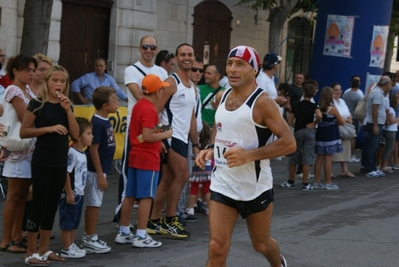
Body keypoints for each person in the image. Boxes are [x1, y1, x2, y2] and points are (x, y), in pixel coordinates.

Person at [196, 45, 295, 267]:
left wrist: (249, 155)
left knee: (261, 244)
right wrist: (212, 146)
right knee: (216, 248)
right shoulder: (221, 96)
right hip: (223, 184)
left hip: (254, 187)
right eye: (230, 64)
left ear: (254, 70)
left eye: (240, 64)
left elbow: (289, 143)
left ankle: (278, 264)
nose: (232, 69)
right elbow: (220, 126)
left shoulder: (263, 102)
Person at [20, 65, 79, 265]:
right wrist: (48, 129)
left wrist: (68, 111)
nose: (59, 85)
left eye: (63, 81)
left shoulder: (67, 105)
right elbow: (24, 132)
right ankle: (30, 252)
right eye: (55, 80)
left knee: (52, 205)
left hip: (60, 161)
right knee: (39, 204)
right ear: (47, 82)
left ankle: (44, 250)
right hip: (42, 161)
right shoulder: (37, 103)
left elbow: (76, 135)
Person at [147, 43, 199, 239]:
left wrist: (195, 144)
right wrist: (157, 137)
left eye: (190, 54)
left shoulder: (192, 87)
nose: (187, 57)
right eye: (183, 54)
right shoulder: (170, 83)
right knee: (182, 176)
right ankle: (170, 219)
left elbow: (191, 117)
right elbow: (154, 111)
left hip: (182, 139)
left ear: (193, 59)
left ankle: (153, 221)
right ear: (176, 59)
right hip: (170, 136)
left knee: (168, 179)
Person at [114, 35, 168, 224]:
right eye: (145, 46)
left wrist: (160, 131)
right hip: (137, 128)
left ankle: (138, 224)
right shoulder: (131, 70)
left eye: (152, 47)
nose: (148, 50)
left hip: (155, 127)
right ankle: (123, 217)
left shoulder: (161, 71)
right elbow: (142, 97)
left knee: (151, 177)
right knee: (130, 177)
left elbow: (164, 97)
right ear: (139, 48)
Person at [115, 74, 172, 248]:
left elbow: (142, 133)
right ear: (158, 91)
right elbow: (148, 136)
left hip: (136, 155)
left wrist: (156, 135)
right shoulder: (150, 109)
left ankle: (124, 231)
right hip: (147, 157)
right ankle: (141, 234)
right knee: (146, 196)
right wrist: (165, 135)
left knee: (130, 195)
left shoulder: (140, 105)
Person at [0, 55, 37, 254]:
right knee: (14, 195)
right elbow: (27, 115)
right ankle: (6, 240)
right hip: (17, 149)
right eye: (27, 69)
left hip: (28, 149)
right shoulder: (13, 90)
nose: (31, 73)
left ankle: (17, 236)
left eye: (33, 69)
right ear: (15, 71)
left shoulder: (28, 90)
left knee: (23, 195)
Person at [81, 86, 118, 253]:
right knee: (94, 203)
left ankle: (90, 236)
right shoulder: (97, 123)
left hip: (101, 169)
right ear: (105, 105)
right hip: (95, 171)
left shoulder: (105, 121)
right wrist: (100, 175)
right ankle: (89, 237)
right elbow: (93, 150)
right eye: (115, 101)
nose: (117, 103)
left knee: (96, 202)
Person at [59, 117, 93, 259]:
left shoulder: (82, 152)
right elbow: (66, 173)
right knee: (68, 220)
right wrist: (69, 192)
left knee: (75, 220)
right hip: (71, 193)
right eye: (89, 133)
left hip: (78, 193)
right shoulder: (72, 153)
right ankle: (66, 247)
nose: (92, 137)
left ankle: (71, 244)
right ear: (78, 136)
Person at [177, 58, 205, 222]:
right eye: (195, 69)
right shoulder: (181, 86)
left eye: (201, 71)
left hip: (192, 137)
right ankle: (177, 211)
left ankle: (179, 209)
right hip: (181, 137)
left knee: (186, 176)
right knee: (181, 176)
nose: (197, 73)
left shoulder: (196, 89)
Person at [280, 83, 321, 190]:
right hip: (310, 131)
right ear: (313, 94)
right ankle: (305, 183)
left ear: (303, 92)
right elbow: (320, 115)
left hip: (299, 131)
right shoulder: (314, 106)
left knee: (295, 156)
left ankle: (290, 181)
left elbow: (289, 120)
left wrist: (296, 125)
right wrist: (314, 123)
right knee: (307, 156)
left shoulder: (297, 105)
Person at [313, 87, 345, 190]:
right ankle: (328, 181)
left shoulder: (317, 107)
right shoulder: (332, 109)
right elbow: (342, 122)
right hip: (331, 134)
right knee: (328, 157)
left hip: (320, 133)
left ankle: (316, 181)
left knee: (319, 157)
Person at [361, 76, 392, 178]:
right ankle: (369, 168)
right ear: (386, 84)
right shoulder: (377, 94)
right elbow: (375, 110)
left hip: (375, 122)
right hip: (375, 123)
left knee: (370, 146)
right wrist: (375, 125)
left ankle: (370, 167)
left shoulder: (377, 92)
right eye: (390, 84)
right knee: (372, 146)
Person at [331, 83, 356, 178]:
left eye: (340, 89)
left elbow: (347, 111)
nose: (338, 92)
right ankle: (329, 171)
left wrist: (350, 118)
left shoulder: (342, 101)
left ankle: (344, 170)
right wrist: (346, 120)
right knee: (334, 149)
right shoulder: (331, 102)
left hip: (346, 126)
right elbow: (334, 114)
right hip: (337, 126)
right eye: (336, 89)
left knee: (345, 148)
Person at [188, 122, 212, 215]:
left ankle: (190, 208)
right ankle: (209, 209)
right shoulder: (209, 143)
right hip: (207, 167)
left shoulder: (196, 144)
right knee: (207, 189)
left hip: (196, 167)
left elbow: (193, 156)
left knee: (194, 188)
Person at [342, 76, 363, 163]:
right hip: (354, 118)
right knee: (353, 137)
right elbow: (359, 109)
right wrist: (361, 120)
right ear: (359, 84)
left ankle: (344, 154)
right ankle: (350, 156)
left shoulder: (345, 94)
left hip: (345, 117)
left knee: (344, 137)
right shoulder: (358, 96)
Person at [379, 93, 399, 173]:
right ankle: (383, 166)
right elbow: (390, 121)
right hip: (390, 130)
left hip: (392, 130)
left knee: (389, 148)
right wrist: (398, 118)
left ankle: (384, 165)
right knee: (389, 148)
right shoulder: (391, 109)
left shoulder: (391, 109)